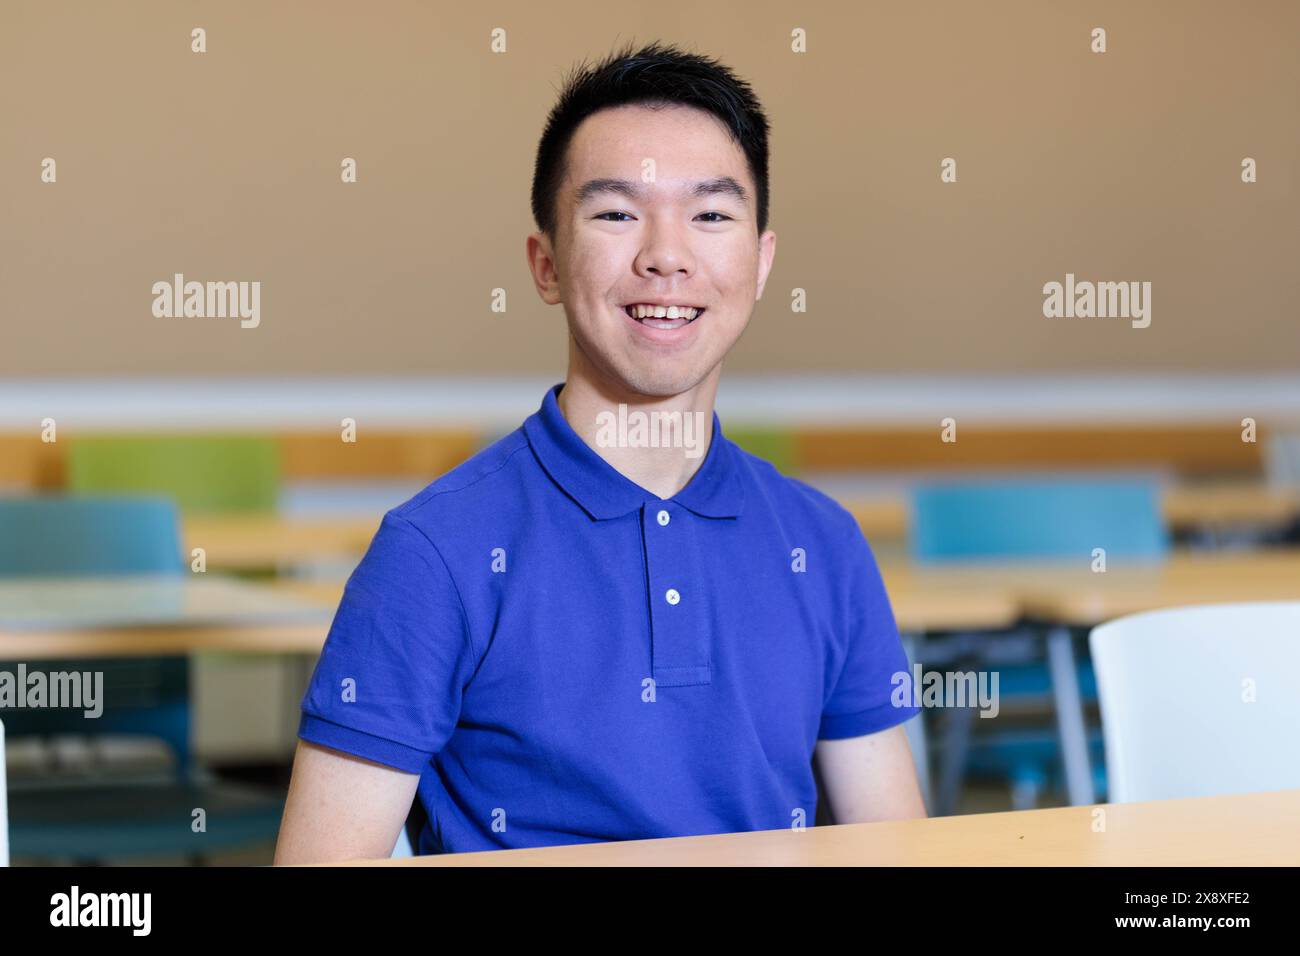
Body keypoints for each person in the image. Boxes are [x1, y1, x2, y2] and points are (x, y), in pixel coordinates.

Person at [275, 40, 925, 864]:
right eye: (617, 213)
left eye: (712, 214)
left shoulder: (823, 544)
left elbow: (897, 849)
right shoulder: (434, 552)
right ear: (546, 263)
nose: (665, 255)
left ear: (761, 264)